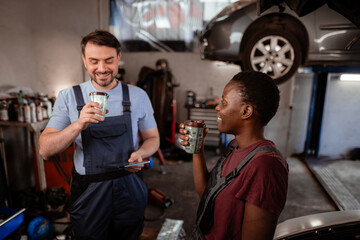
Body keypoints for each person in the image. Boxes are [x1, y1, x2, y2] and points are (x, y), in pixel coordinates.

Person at [39, 30, 160, 239]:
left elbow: (153, 138)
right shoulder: (69, 97)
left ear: (119, 58)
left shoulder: (137, 96)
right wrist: (78, 124)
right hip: (89, 194)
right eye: (94, 61)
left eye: (109, 60)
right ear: (84, 60)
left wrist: (141, 153)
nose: (102, 69)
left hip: (129, 187)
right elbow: (45, 151)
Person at [179, 71, 289, 240]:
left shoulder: (265, 167)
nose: (217, 107)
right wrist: (197, 148)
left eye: (224, 102)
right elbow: (208, 196)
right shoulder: (234, 147)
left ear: (246, 111)